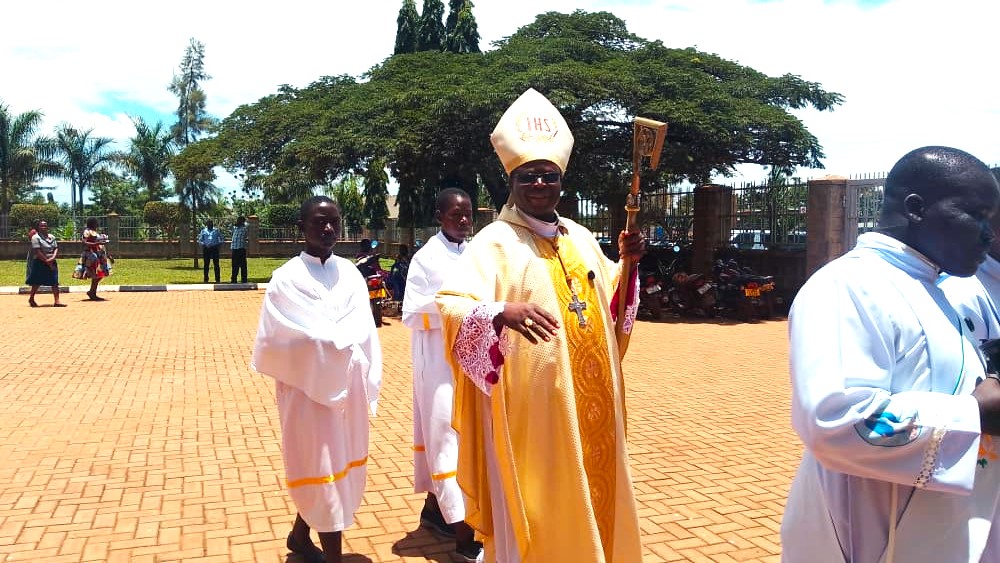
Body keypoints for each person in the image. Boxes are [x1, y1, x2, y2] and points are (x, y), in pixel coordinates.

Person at [435, 88, 645, 562]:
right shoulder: (494, 242)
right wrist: (496, 313)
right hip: (532, 416)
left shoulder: (581, 236)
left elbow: (610, 304)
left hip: (593, 410)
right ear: (511, 179)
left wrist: (629, 266)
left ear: (560, 182)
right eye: (528, 176)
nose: (539, 184)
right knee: (536, 510)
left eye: (548, 176)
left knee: (596, 497)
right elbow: (450, 304)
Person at [781, 146, 1000, 562]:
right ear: (916, 209)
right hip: (869, 534)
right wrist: (975, 413)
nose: (988, 236)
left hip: (936, 526)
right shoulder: (849, 286)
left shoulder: (934, 289)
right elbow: (835, 420)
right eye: (977, 216)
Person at [251, 196, 382, 563]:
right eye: (319, 222)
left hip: (348, 387)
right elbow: (283, 336)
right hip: (307, 391)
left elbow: (364, 327)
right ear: (301, 229)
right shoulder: (286, 279)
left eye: (334, 222)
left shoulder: (351, 273)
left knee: (332, 467)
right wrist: (337, 345)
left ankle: (299, 536)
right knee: (319, 466)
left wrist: (355, 358)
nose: (328, 229)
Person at [402, 188, 482, 562]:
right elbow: (412, 309)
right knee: (447, 437)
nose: (463, 220)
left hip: (473, 360)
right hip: (438, 361)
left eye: (467, 213)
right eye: (456, 214)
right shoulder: (426, 258)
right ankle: (464, 543)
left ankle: (434, 512)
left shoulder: (476, 252)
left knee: (465, 436)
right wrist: (458, 309)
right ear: (439, 216)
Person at [26, 220, 64, 307]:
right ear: (38, 227)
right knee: (36, 282)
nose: (44, 227)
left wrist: (53, 258)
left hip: (52, 261)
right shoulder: (35, 237)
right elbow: (37, 251)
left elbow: (56, 248)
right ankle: (31, 298)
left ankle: (57, 301)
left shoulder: (52, 237)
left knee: (54, 281)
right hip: (40, 262)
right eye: (41, 226)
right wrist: (47, 261)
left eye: (45, 225)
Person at [80, 217, 112, 301]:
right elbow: (84, 242)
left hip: (99, 255)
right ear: (92, 223)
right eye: (96, 223)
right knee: (97, 274)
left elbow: (100, 245)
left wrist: (108, 255)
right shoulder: (87, 231)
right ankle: (92, 292)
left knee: (101, 274)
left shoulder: (95, 232)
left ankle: (92, 291)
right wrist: (97, 243)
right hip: (92, 256)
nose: (97, 224)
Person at [230, 215, 248, 283]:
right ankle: (233, 279)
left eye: (239, 220)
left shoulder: (244, 229)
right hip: (234, 249)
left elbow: (248, 226)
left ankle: (244, 279)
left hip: (241, 249)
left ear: (242, 222)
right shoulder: (235, 228)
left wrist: (243, 223)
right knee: (234, 265)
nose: (237, 221)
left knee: (243, 265)